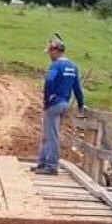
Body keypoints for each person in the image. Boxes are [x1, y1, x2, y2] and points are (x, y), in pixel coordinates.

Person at [35, 34, 85, 175]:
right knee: (47, 134)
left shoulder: (56, 65)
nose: (49, 55)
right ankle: (42, 163)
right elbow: (77, 88)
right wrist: (81, 104)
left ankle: (51, 166)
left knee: (51, 135)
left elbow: (49, 81)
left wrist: (47, 99)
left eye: (50, 52)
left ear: (56, 51)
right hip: (64, 103)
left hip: (54, 103)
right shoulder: (73, 66)